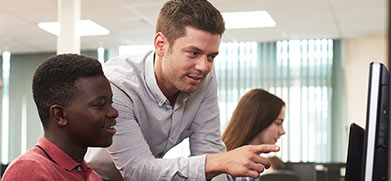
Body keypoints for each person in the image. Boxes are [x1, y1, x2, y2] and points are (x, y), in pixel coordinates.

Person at [85, 0, 279, 180]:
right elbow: (137, 169)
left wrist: (218, 164)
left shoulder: (203, 77)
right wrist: (218, 162)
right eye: (193, 53)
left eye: (211, 57)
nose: (203, 67)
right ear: (161, 45)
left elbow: (208, 148)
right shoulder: (117, 84)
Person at [2, 54, 119, 180]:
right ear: (59, 115)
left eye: (110, 103)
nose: (114, 112)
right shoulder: (30, 170)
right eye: (100, 105)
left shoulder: (91, 175)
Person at [222, 88, 286, 181]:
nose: (282, 131)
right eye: (278, 123)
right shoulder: (229, 167)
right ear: (260, 121)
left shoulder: (252, 165)